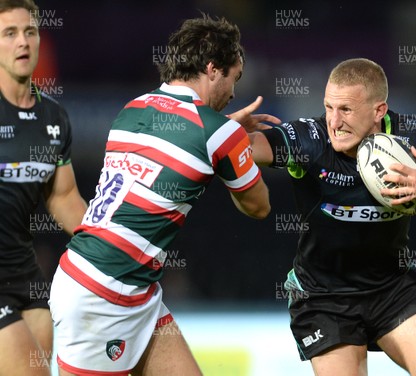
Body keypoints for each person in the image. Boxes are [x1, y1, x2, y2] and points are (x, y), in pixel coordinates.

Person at [246, 58, 416, 375]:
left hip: (394, 290)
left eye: (346, 109)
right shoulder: (309, 139)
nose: (334, 121)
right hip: (323, 298)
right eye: (329, 107)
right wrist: (226, 133)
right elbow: (247, 148)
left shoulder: (412, 137)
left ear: (379, 111)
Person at [48, 14, 276, 375]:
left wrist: (224, 136)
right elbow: (259, 206)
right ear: (213, 69)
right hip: (102, 294)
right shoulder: (218, 135)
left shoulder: (133, 108)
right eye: (236, 77)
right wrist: (237, 144)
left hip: (132, 288)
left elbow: (176, 146)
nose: (234, 92)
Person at [0, 0, 88, 375]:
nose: (23, 42)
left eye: (30, 32)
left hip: (26, 277)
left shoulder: (53, 117)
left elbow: (64, 198)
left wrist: (114, 243)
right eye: (9, 33)